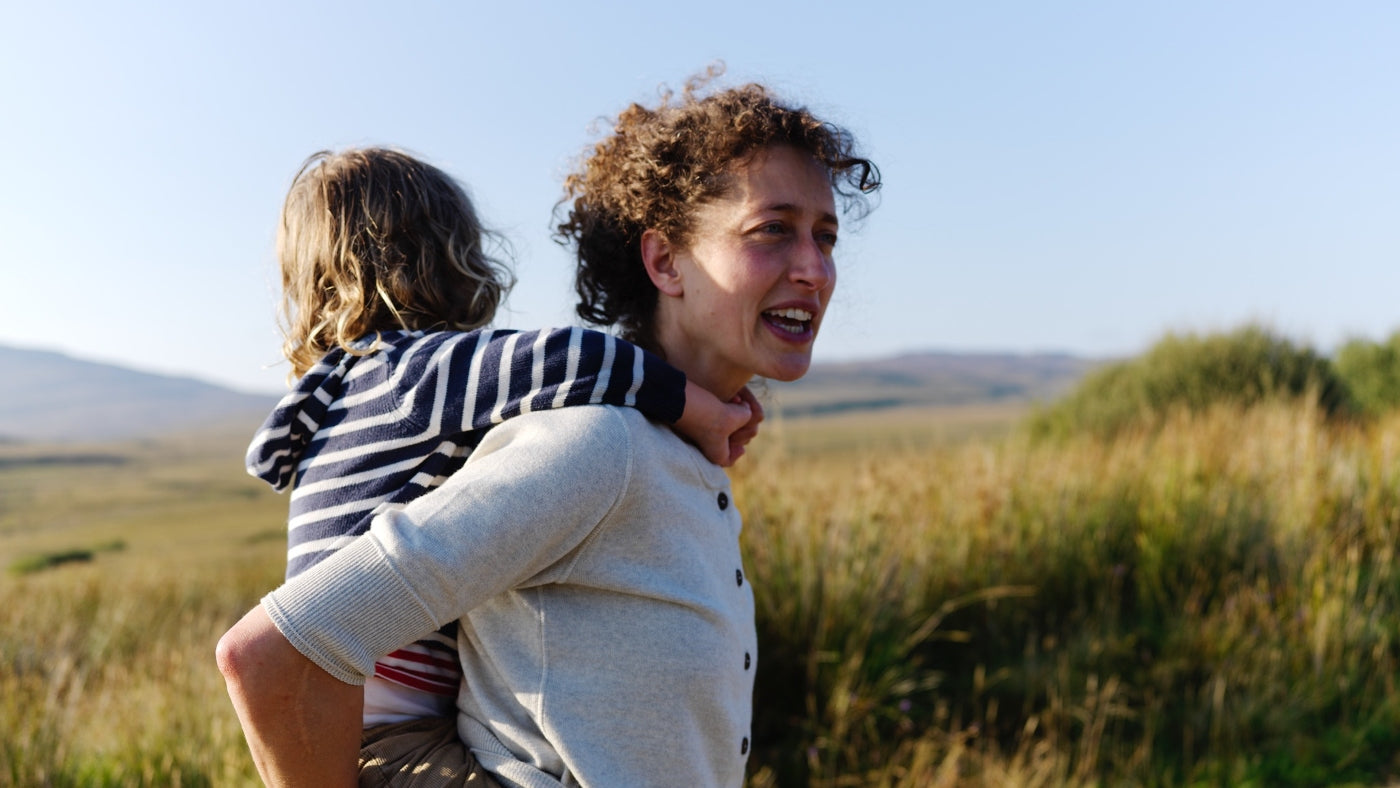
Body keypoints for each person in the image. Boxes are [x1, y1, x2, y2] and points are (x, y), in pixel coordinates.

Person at [217, 75, 880, 787]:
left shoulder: (673, 458)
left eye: (827, 237)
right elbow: (273, 653)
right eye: (772, 229)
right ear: (663, 261)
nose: (814, 269)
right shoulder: (594, 447)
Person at [249, 147, 759, 727]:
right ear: (450, 256)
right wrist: (694, 406)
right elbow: (569, 356)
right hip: (394, 720)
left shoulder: (332, 394)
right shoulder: (413, 373)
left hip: (339, 706)